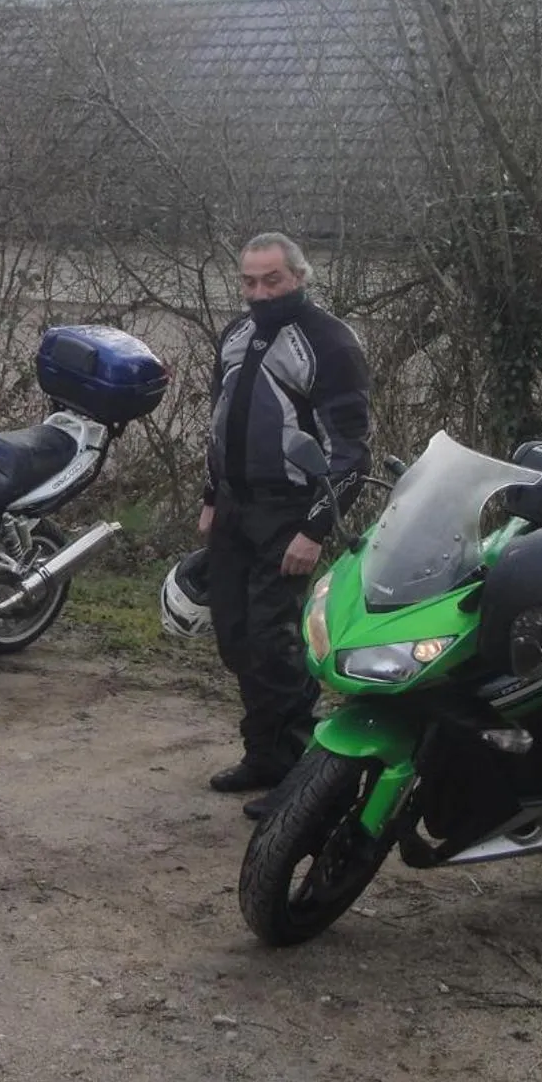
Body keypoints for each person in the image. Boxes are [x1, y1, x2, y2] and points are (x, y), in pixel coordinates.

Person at [200, 231, 370, 819]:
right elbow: (219, 419)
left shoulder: (328, 342)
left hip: (290, 511)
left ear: (299, 277)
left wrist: (315, 529)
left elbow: (351, 453)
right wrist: (209, 495)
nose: (259, 292)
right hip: (234, 506)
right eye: (249, 281)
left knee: (275, 643)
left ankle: (301, 778)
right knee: (236, 638)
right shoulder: (236, 335)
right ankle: (264, 755)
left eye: (272, 280)